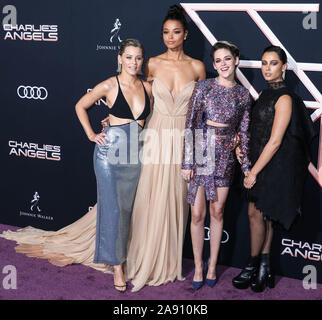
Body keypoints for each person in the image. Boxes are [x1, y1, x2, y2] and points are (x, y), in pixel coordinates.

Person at [0, 38, 152, 293]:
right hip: (109, 156)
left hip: (135, 156)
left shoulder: (147, 87)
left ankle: (125, 255)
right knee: (113, 210)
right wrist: (91, 134)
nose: (133, 62)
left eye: (138, 58)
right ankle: (117, 266)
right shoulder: (108, 85)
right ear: (119, 58)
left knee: (128, 210)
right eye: (128, 57)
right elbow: (80, 106)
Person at [124, 4, 206, 292]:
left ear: (185, 34)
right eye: (165, 33)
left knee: (175, 199)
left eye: (175, 32)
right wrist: (117, 120)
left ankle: (168, 260)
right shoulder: (152, 64)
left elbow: (202, 110)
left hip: (183, 140)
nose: (170, 37)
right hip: (155, 135)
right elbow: (139, 100)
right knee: (148, 197)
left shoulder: (197, 67)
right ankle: (141, 255)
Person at [232, 45, 316, 292]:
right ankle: (263, 266)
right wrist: (241, 148)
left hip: (274, 165)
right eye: (264, 63)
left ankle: (253, 264)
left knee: (260, 214)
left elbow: (276, 140)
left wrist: (254, 172)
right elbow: (257, 132)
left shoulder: (285, 98)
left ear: (284, 67)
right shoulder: (265, 94)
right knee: (261, 215)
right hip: (261, 161)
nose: (267, 68)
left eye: (273, 63)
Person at [181, 41, 251, 290]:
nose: (223, 64)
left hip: (224, 158)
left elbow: (244, 133)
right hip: (200, 155)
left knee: (217, 212)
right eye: (218, 60)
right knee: (197, 214)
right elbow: (189, 124)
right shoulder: (204, 87)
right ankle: (199, 266)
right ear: (214, 64)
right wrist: (187, 161)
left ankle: (212, 265)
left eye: (227, 59)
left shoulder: (243, 95)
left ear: (236, 60)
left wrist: (247, 167)